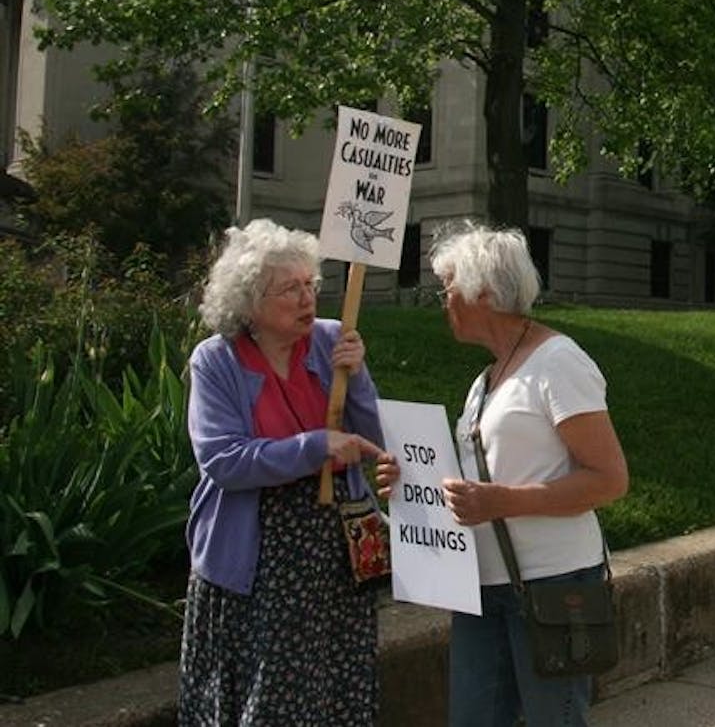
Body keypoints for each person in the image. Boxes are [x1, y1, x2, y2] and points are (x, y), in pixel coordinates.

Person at [376, 223, 628, 727]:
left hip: (553, 584)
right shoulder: (486, 380)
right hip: (479, 586)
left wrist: (502, 501)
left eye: (448, 288)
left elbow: (609, 479)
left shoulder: (558, 363)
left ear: (484, 292)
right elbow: (472, 478)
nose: (442, 301)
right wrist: (409, 483)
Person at [180, 218, 387, 726]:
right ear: (250, 302)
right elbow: (223, 461)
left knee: (337, 691)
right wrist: (315, 447)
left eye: (309, 284)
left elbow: (375, 439)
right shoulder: (217, 360)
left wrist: (357, 376)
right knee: (269, 697)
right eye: (289, 289)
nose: (306, 297)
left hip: (334, 555)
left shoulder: (333, 340)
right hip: (257, 562)